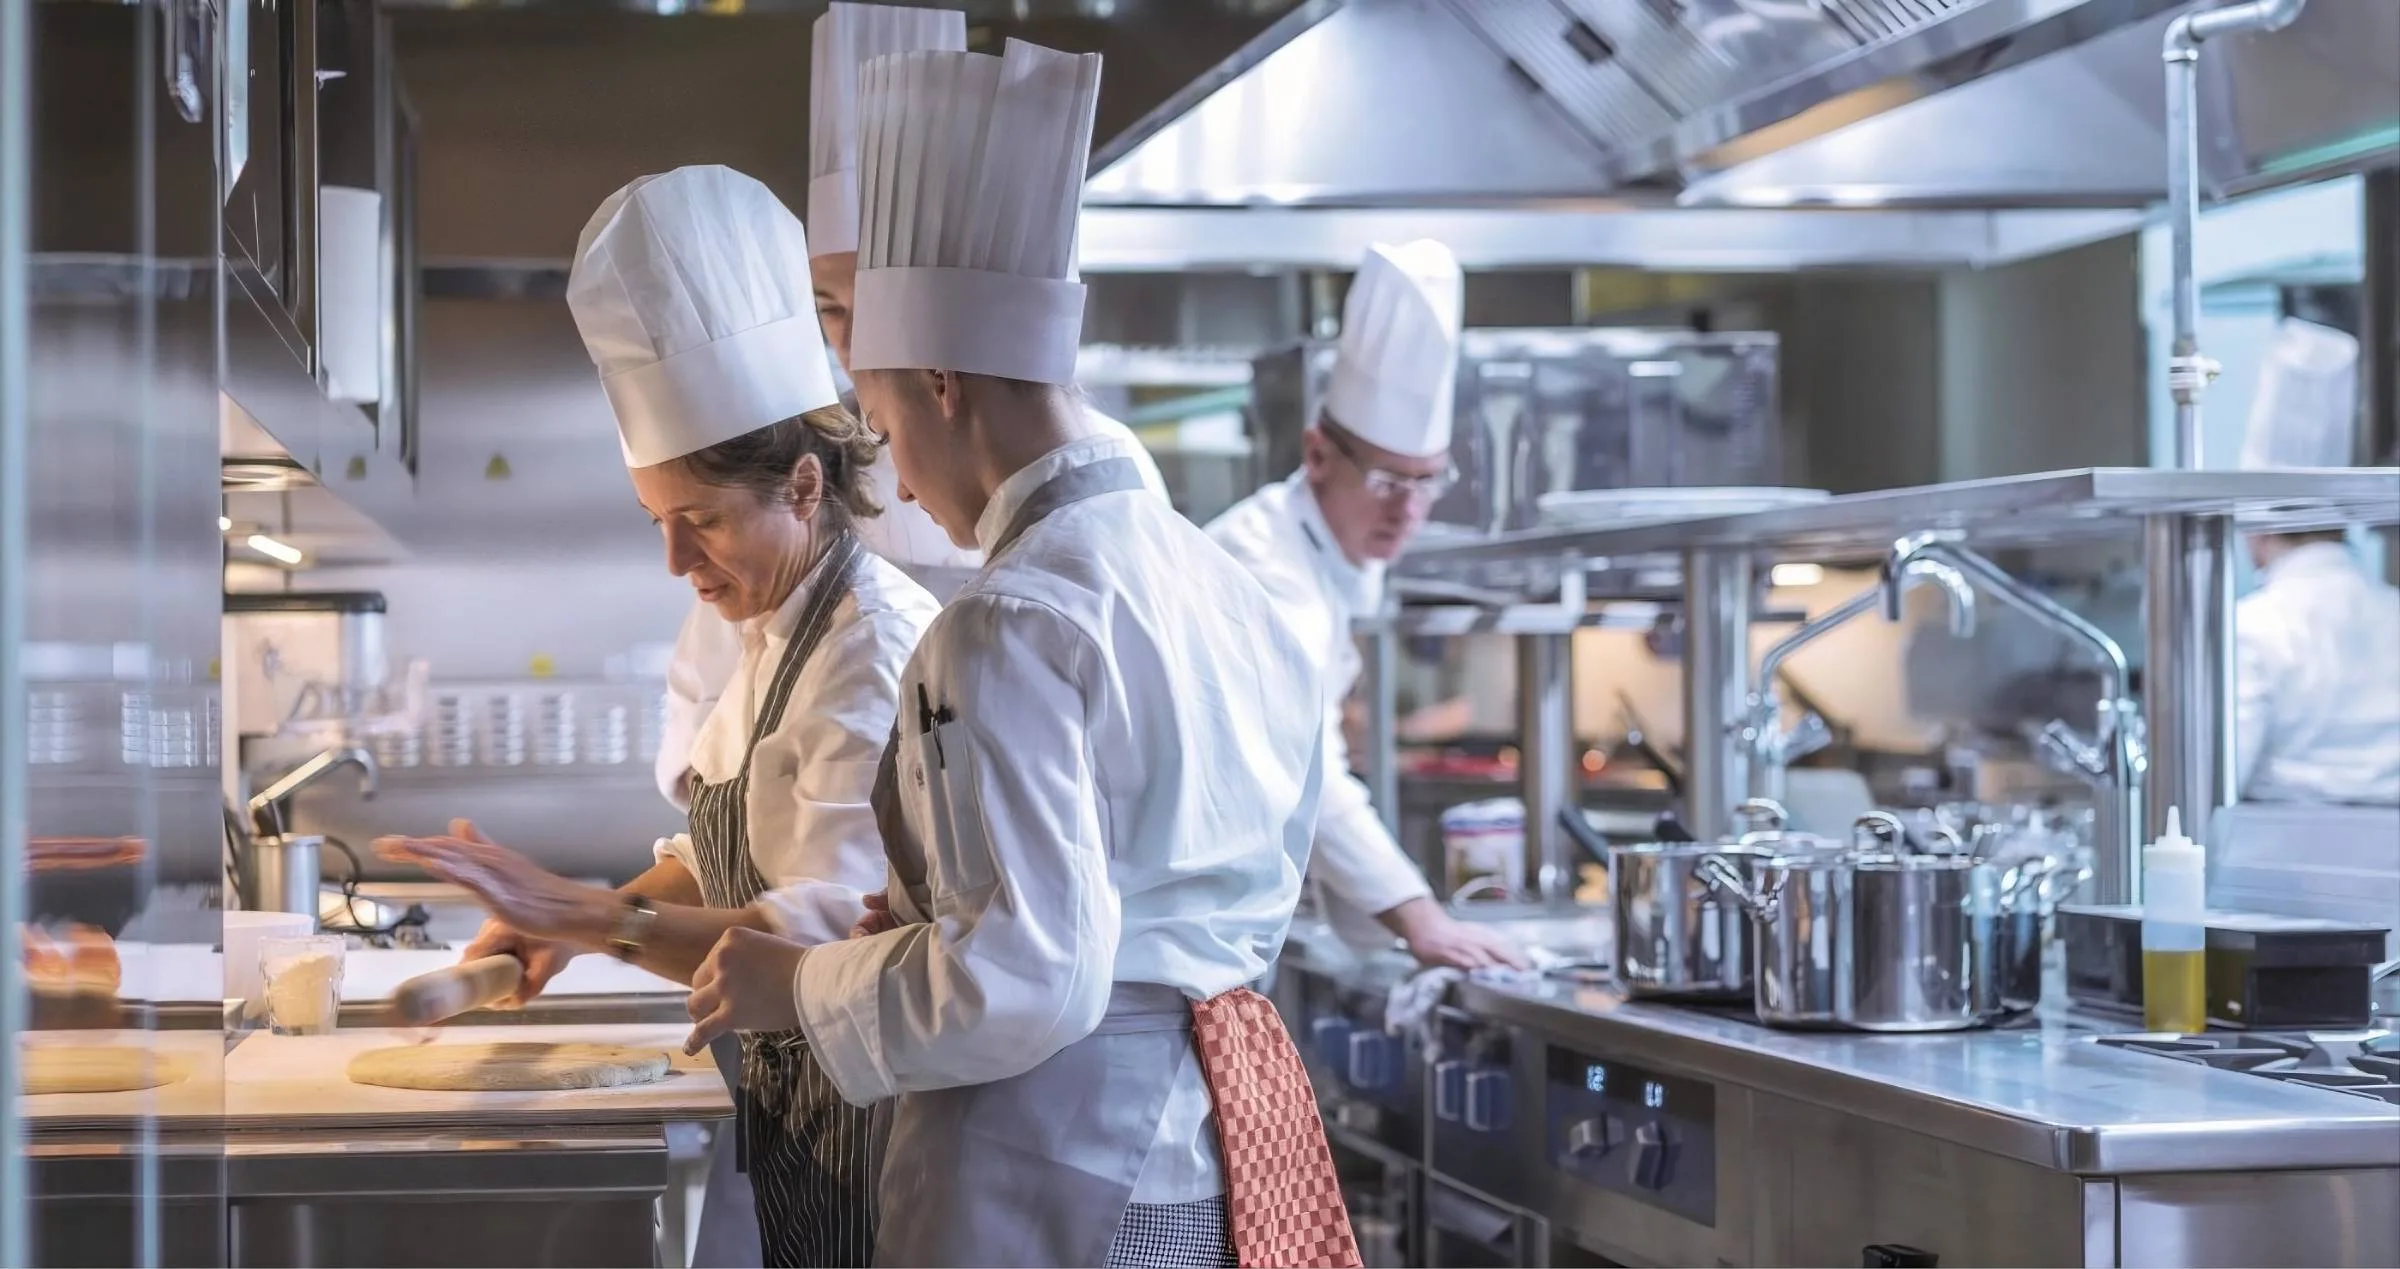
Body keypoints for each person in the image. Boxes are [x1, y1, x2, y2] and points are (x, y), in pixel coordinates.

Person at [680, 39, 1359, 1269]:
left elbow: (1031, 981)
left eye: (880, 424)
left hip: (1055, 1171)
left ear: (940, 377)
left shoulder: (1004, 623)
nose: (897, 482)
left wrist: (801, 989)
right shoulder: (1236, 588)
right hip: (1198, 1152)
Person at [378, 165, 936, 1268]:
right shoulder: (762, 620)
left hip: (870, 1116)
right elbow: (716, 852)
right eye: (656, 522)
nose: (678, 560)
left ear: (806, 487)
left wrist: (594, 919)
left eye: (700, 521)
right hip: (785, 1097)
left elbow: (820, 942)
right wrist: (561, 927)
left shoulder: (874, 654)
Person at [652, 1, 1166, 810]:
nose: (855, 349)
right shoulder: (809, 463)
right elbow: (716, 693)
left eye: (875, 309)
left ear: (941, 375)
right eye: (830, 308)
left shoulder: (1090, 521)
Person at [1206, 240, 1526, 971]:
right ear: (1317, 453)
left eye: (1428, 482)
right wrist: (1420, 918)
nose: (1408, 511)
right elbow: (1305, 765)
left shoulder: (1335, 552)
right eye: (1388, 481)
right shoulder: (1267, 569)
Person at [2229, 314, 2400, 806]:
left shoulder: (2253, 629)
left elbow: (2217, 784)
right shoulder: (2393, 611)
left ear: (2256, 530)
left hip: (2282, 867)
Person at [2236, 528, 2400, 804]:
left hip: (2275, 833)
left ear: (2258, 533)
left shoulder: (2251, 623)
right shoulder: (2393, 608)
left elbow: (2233, 759)